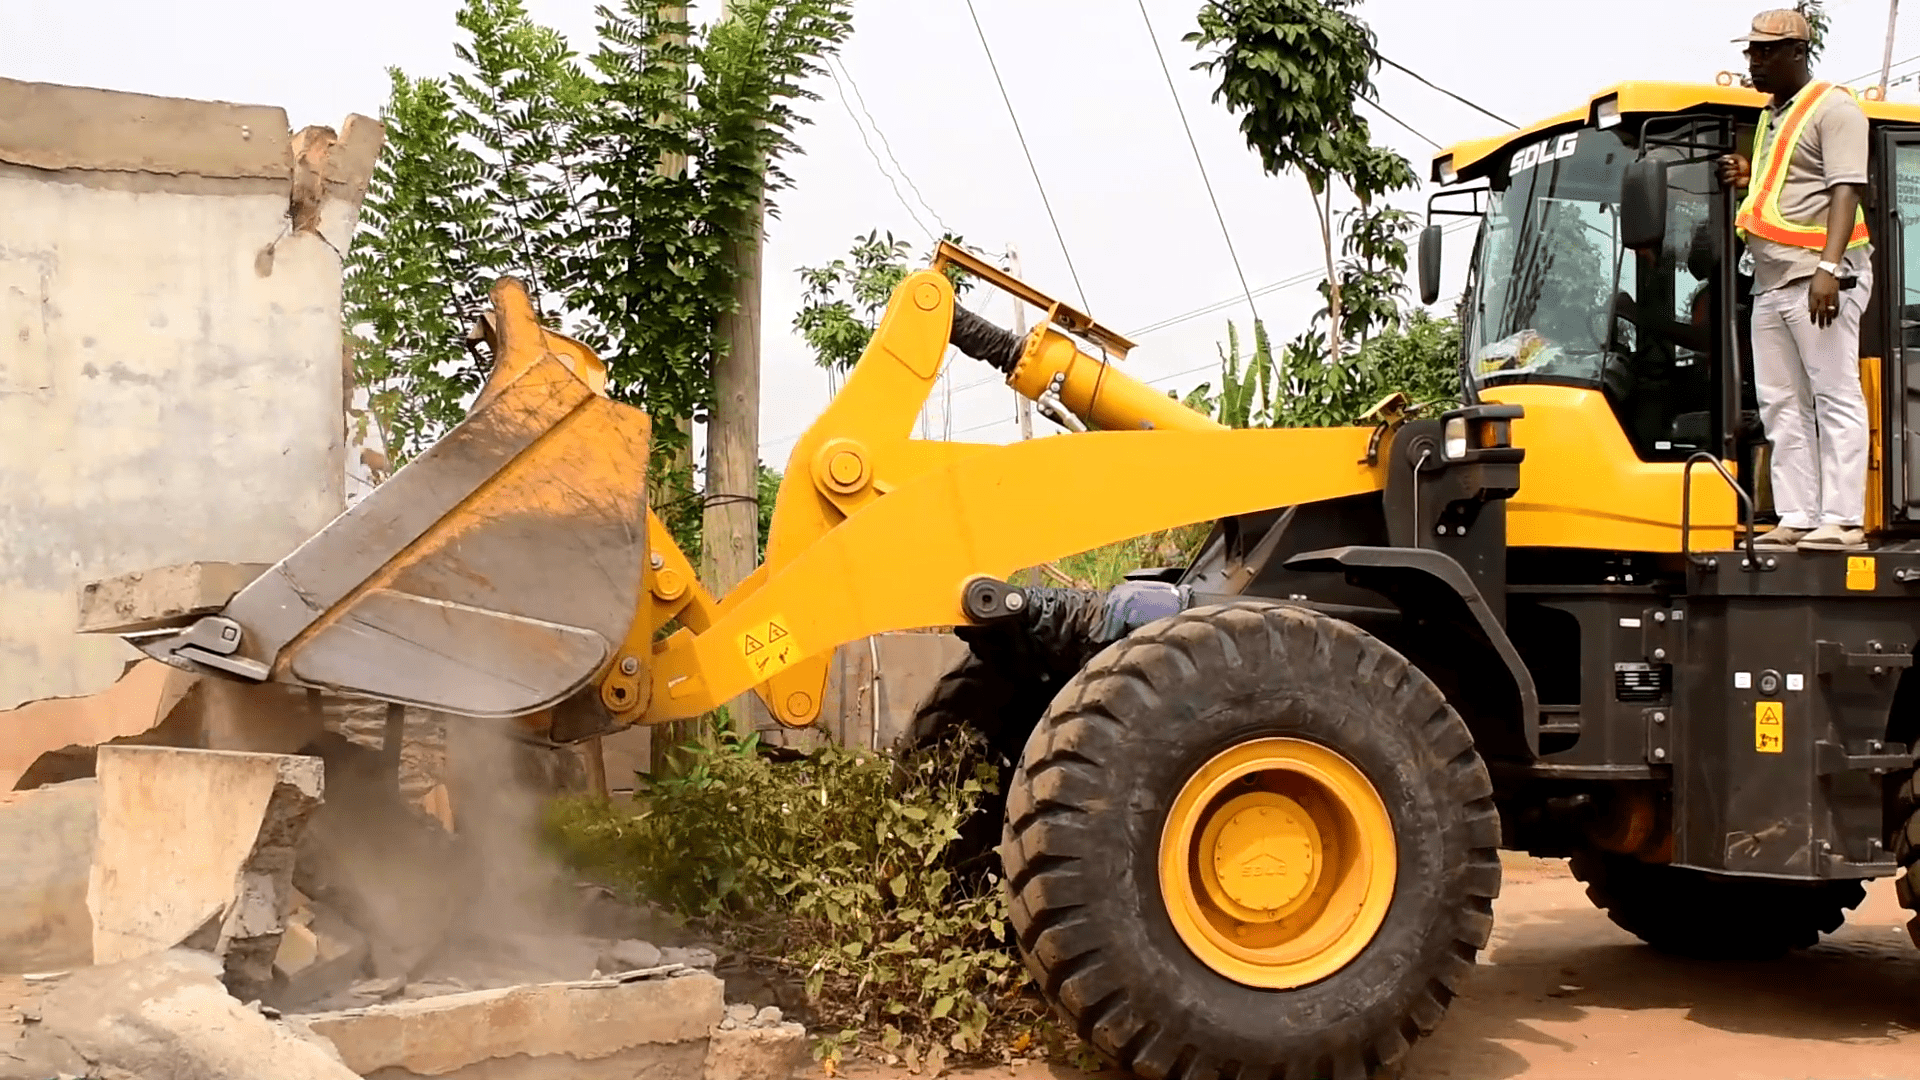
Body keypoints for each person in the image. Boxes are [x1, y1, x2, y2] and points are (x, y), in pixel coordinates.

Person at [1718, 8, 1875, 552]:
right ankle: (1798, 515)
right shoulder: (1771, 116)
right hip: (1770, 280)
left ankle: (1844, 520)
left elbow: (1845, 189)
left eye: (1765, 51)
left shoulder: (1835, 107)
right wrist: (1748, 176)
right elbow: (1788, 185)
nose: (1754, 61)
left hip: (1818, 274)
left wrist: (1829, 269)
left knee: (1834, 394)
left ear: (1797, 52)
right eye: (1751, 51)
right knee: (1780, 404)